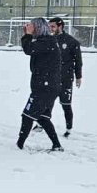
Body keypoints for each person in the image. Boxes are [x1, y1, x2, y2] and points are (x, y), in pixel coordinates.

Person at [17, 17, 64, 152]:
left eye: (31, 26)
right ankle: (57, 145)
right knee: (42, 117)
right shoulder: (46, 41)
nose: (29, 28)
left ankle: (19, 145)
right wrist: (28, 35)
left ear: (38, 28)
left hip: (45, 87)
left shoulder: (47, 42)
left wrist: (28, 35)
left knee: (27, 116)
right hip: (48, 86)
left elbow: (28, 49)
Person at [47, 17, 83, 137]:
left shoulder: (71, 42)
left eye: (53, 26)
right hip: (51, 78)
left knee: (66, 105)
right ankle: (42, 123)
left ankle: (69, 129)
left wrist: (78, 76)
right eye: (49, 26)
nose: (50, 29)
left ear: (60, 26)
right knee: (47, 101)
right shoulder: (48, 39)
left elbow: (78, 61)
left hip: (65, 79)